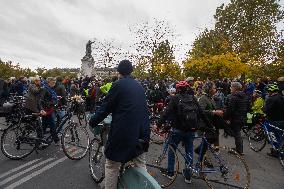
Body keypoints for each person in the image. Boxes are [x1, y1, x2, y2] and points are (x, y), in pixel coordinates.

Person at [89, 60, 150, 189]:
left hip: (124, 133)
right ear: (131, 71)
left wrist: (93, 121)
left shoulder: (118, 85)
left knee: (111, 165)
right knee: (140, 163)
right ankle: (144, 184)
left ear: (119, 71)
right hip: (142, 132)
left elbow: (105, 107)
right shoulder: (139, 85)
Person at [157, 80, 211, 184]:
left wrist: (158, 125)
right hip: (191, 130)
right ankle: (188, 176)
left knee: (172, 149)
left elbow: (166, 113)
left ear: (177, 89)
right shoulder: (193, 98)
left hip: (177, 129)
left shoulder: (175, 98)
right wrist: (209, 125)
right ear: (187, 89)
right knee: (189, 151)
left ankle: (170, 172)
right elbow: (201, 113)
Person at [224, 82, 250, 155]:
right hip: (243, 118)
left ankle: (239, 150)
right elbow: (249, 108)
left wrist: (226, 117)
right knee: (238, 133)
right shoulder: (246, 96)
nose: (230, 89)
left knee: (237, 134)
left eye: (231, 87)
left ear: (235, 88)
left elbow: (230, 109)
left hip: (236, 118)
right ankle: (239, 149)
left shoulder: (233, 97)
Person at [41, 77, 59, 144]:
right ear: (48, 82)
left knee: (45, 124)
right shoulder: (45, 89)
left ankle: (41, 138)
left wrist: (56, 99)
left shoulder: (50, 89)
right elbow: (41, 100)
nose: (54, 83)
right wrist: (52, 103)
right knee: (52, 124)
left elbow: (50, 97)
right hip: (47, 109)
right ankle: (56, 139)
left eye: (55, 82)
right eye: (53, 82)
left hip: (49, 109)